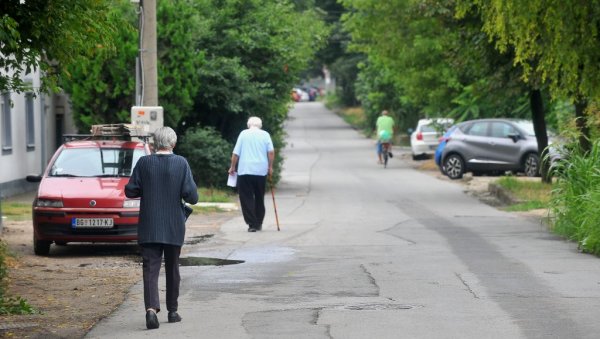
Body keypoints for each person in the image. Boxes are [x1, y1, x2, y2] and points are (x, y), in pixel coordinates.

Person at [125, 126, 198, 330]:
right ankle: (172, 311)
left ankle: (150, 310)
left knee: (150, 268)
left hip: (149, 225)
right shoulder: (181, 163)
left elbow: (130, 191)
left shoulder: (144, 163)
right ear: (173, 144)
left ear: (154, 144)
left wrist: (145, 186)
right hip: (174, 225)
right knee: (173, 267)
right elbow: (192, 196)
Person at [228, 116, 275, 232]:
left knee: (246, 197)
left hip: (245, 170)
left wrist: (232, 167)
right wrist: (270, 167)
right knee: (259, 197)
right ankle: (258, 222)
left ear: (248, 125)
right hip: (260, 170)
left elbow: (235, 153)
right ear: (260, 125)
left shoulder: (243, 134)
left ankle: (252, 224)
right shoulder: (265, 134)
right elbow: (271, 152)